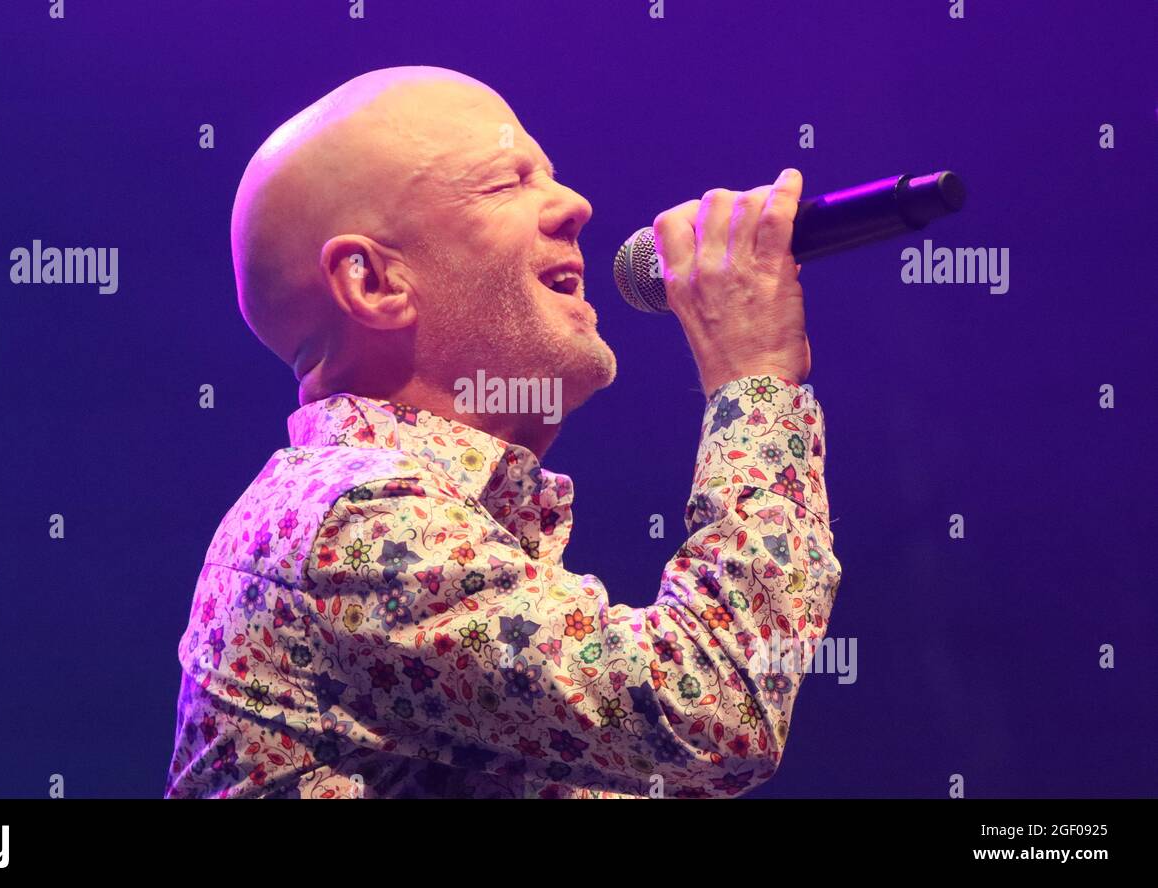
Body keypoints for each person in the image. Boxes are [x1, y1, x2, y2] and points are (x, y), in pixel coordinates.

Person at [165, 65, 841, 798]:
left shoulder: (433, 523)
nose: (575, 206)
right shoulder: (347, 522)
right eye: (507, 183)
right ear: (373, 282)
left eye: (550, 174)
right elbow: (715, 710)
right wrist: (755, 380)